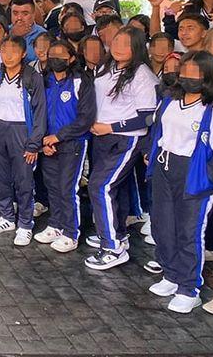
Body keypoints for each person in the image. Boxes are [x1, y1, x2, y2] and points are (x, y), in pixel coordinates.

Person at [146, 51, 213, 313]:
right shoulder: (170, 99)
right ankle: (171, 275)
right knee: (162, 225)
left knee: (188, 231)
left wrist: (209, 173)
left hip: (194, 172)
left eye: (195, 74)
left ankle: (189, 287)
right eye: (185, 72)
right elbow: (157, 129)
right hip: (164, 166)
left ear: (208, 76)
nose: (188, 78)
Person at [85, 27, 158, 270]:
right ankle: (117, 234)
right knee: (114, 188)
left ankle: (112, 247)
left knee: (100, 186)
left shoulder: (142, 75)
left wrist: (112, 126)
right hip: (102, 137)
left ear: (136, 47)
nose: (118, 47)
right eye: (116, 41)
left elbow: (148, 118)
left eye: (126, 44)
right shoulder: (106, 68)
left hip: (125, 139)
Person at [0, 36, 47, 246]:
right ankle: (7, 216)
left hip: (20, 131)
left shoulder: (32, 77)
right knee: (1, 177)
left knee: (24, 179)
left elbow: (40, 111)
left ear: (24, 54)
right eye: (4, 51)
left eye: (13, 51)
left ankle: (25, 223)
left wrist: (34, 143)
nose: (8, 56)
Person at [35, 40, 96, 252]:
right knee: (52, 186)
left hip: (73, 144)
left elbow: (86, 118)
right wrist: (44, 139)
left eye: (60, 56)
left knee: (67, 187)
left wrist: (59, 137)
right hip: (48, 144)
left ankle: (71, 232)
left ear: (70, 58)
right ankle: (56, 224)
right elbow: (38, 112)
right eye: (52, 55)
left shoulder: (81, 81)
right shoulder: (44, 81)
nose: (55, 59)